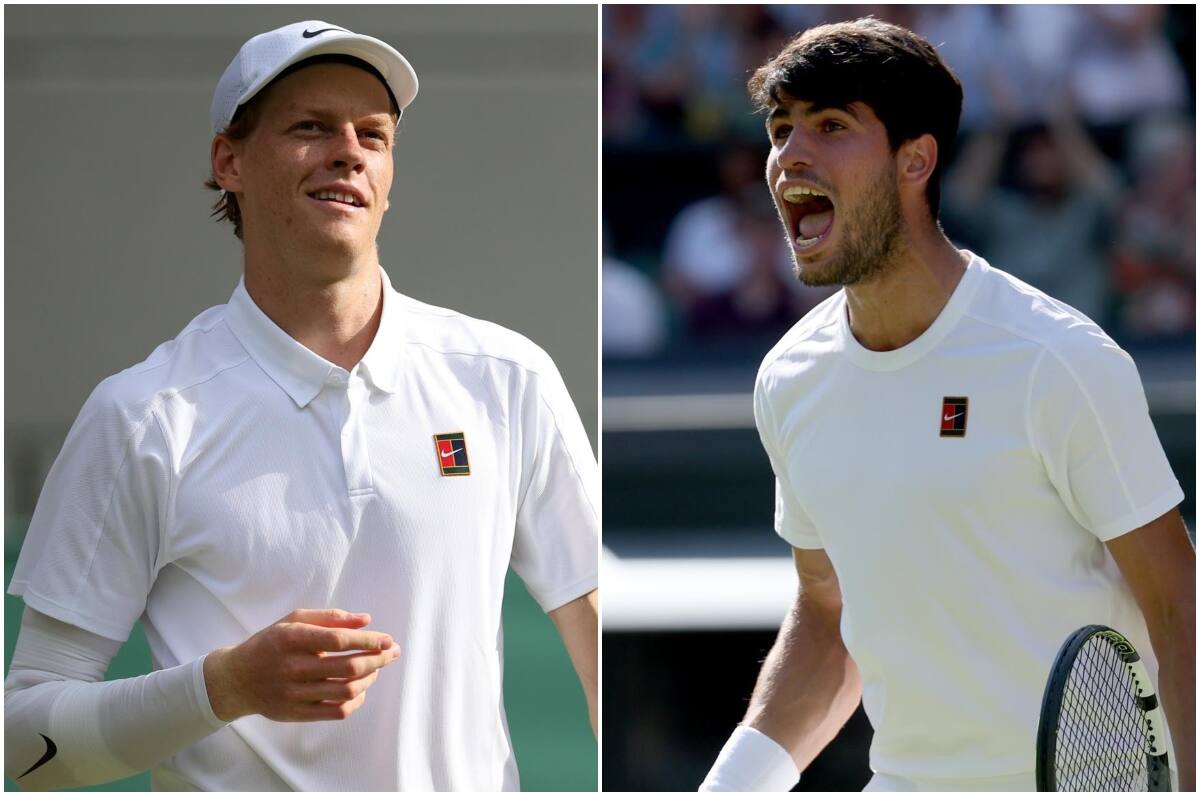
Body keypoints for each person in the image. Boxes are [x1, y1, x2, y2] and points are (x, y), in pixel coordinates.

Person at [5, 20, 597, 792]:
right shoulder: (142, 416)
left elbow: (601, 648)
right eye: (310, 127)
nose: (348, 149)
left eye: (373, 134)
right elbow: (24, 744)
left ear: (387, 174)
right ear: (230, 162)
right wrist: (225, 688)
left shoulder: (507, 377)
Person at [700, 18, 1193, 792]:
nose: (790, 155)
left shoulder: (1057, 360)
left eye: (830, 126)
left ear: (915, 159)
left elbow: (1178, 607)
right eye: (781, 128)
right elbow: (829, 618)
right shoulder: (788, 378)